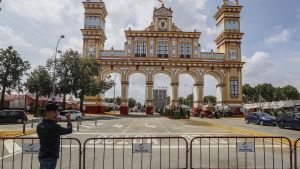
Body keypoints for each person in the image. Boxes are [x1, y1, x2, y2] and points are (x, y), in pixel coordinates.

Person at [37, 101, 73, 169]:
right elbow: (69, 130)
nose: (58, 113)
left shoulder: (39, 125)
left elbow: (48, 126)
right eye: (57, 111)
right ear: (53, 112)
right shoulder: (55, 127)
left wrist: (54, 120)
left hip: (42, 155)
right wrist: (68, 120)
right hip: (50, 157)